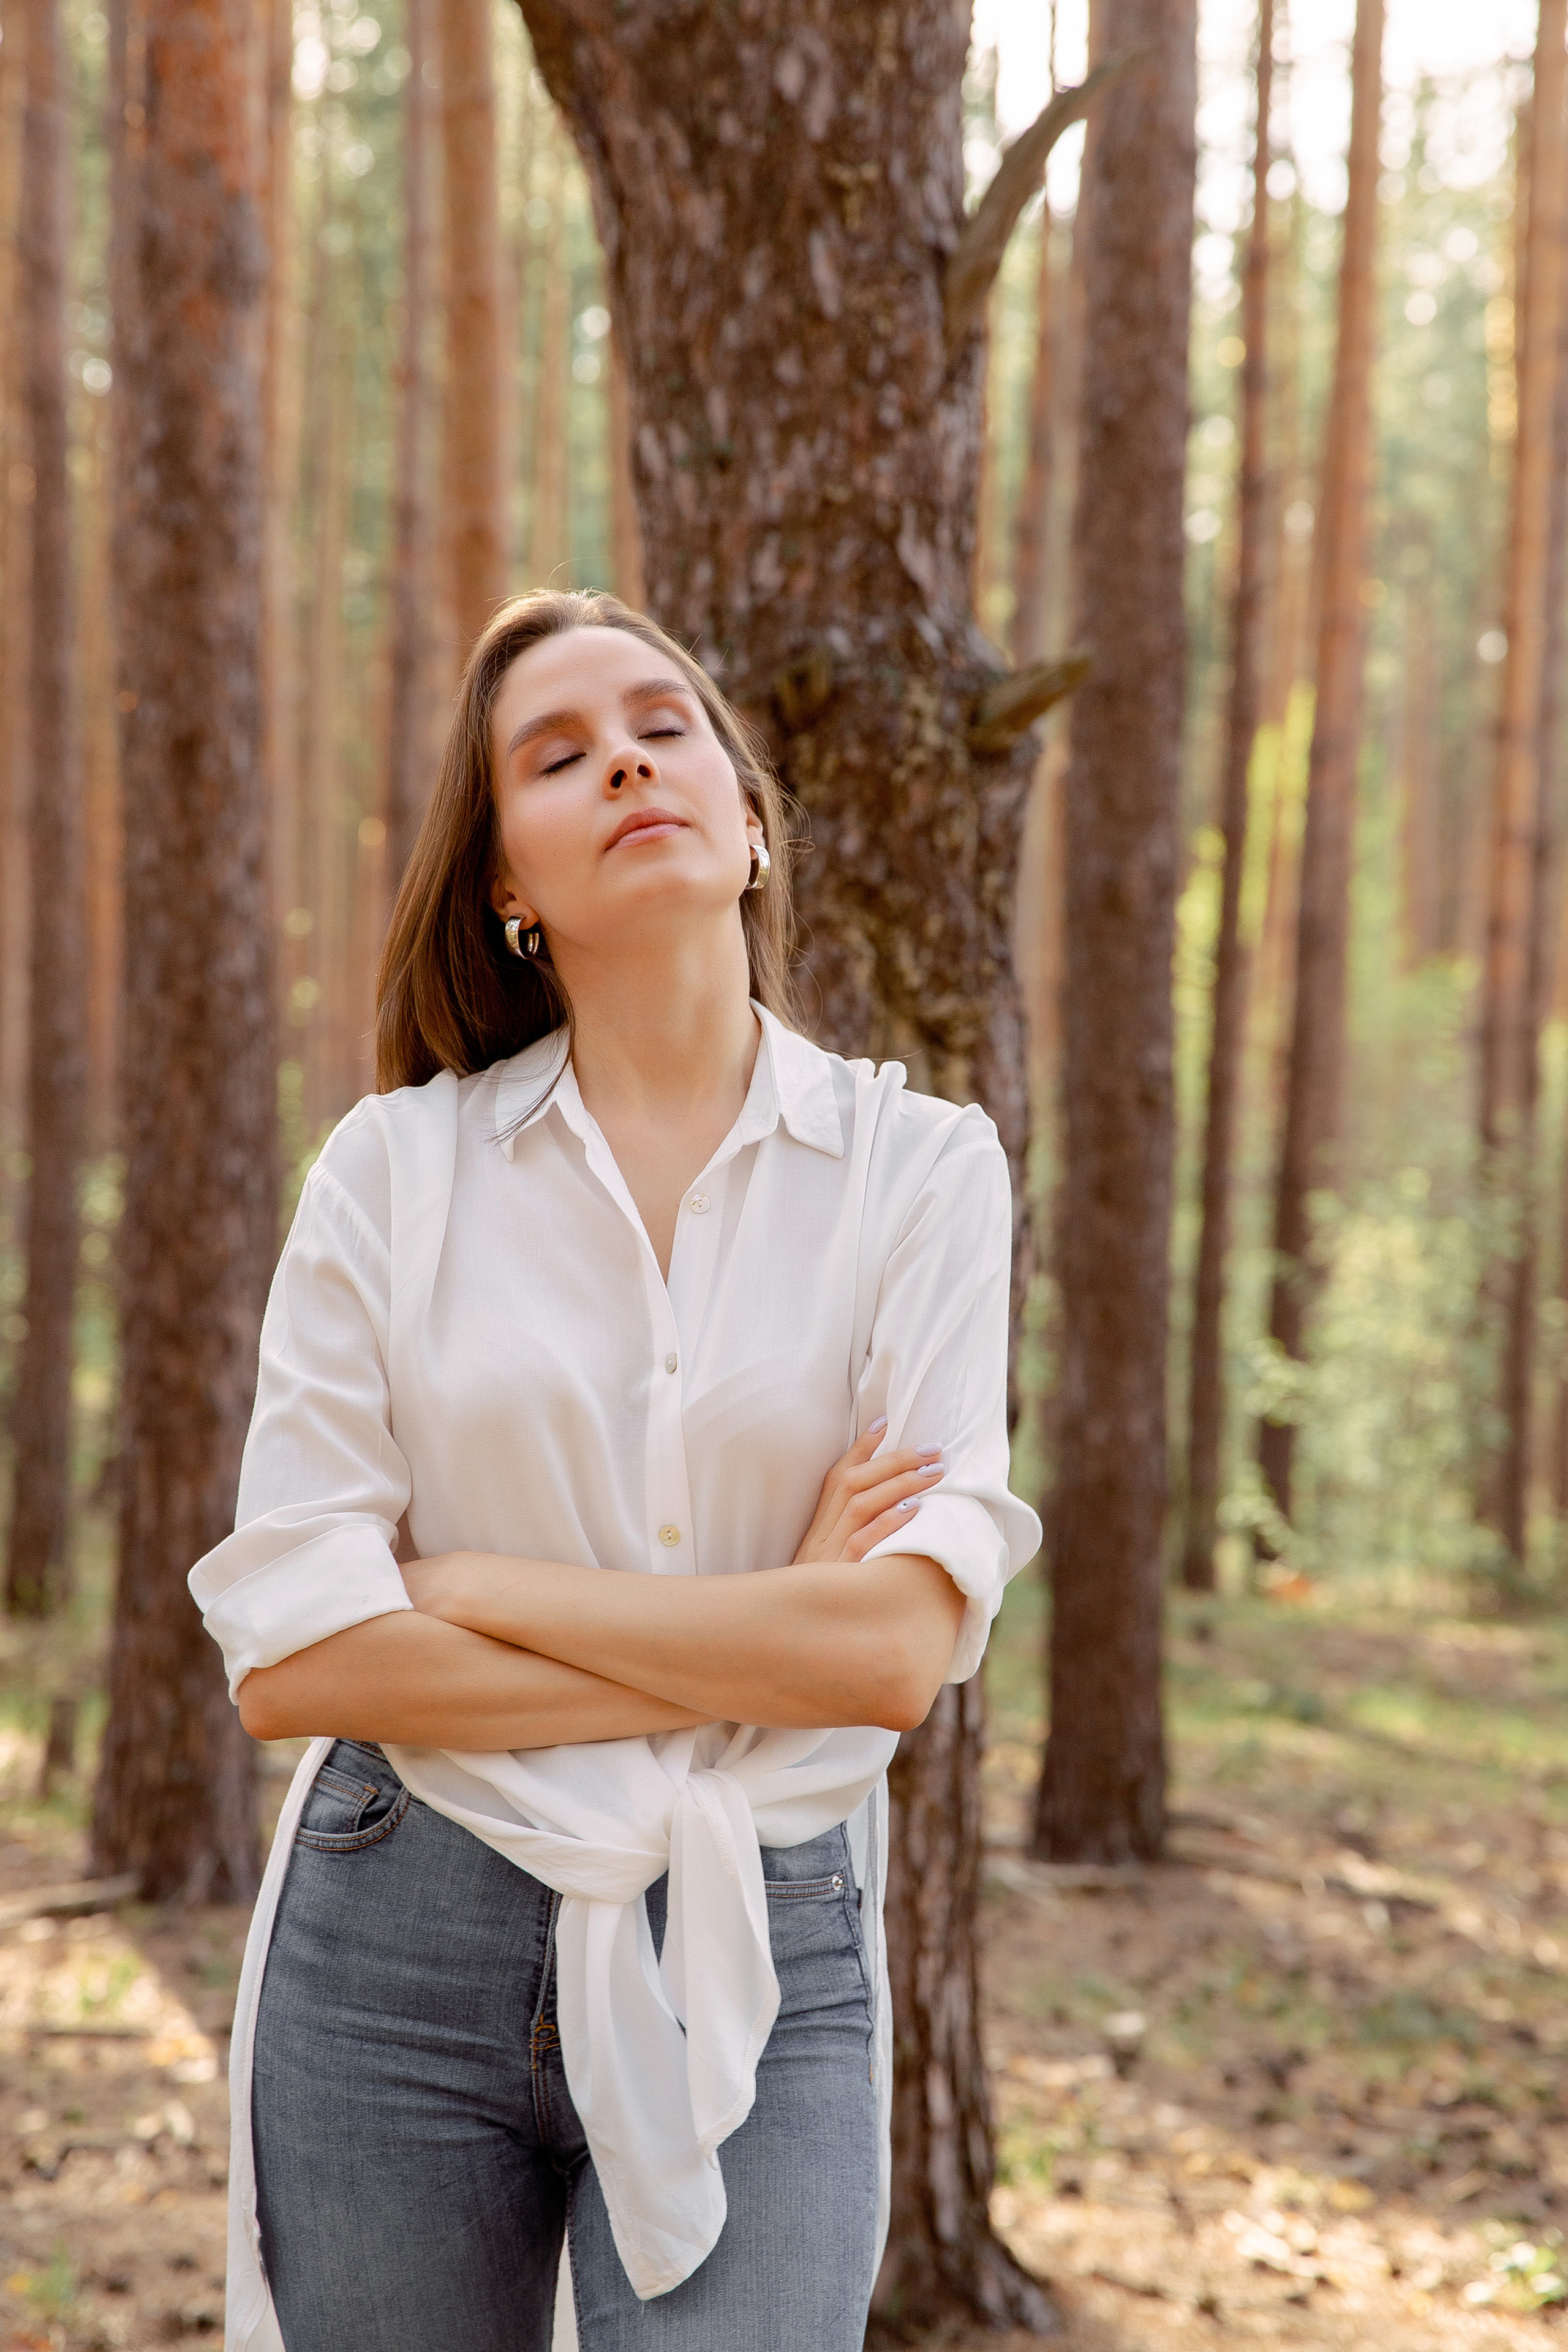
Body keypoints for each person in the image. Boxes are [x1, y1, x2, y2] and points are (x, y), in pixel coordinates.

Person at [190, 589, 1041, 2352]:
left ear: (747, 821)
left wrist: (481, 1590)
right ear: (509, 881)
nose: (628, 761)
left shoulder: (921, 1171)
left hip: (769, 1934)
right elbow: (302, 1663)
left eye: (664, 727)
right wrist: (766, 1620)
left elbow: (893, 1654)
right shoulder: (392, 1172)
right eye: (557, 755)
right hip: (398, 1938)